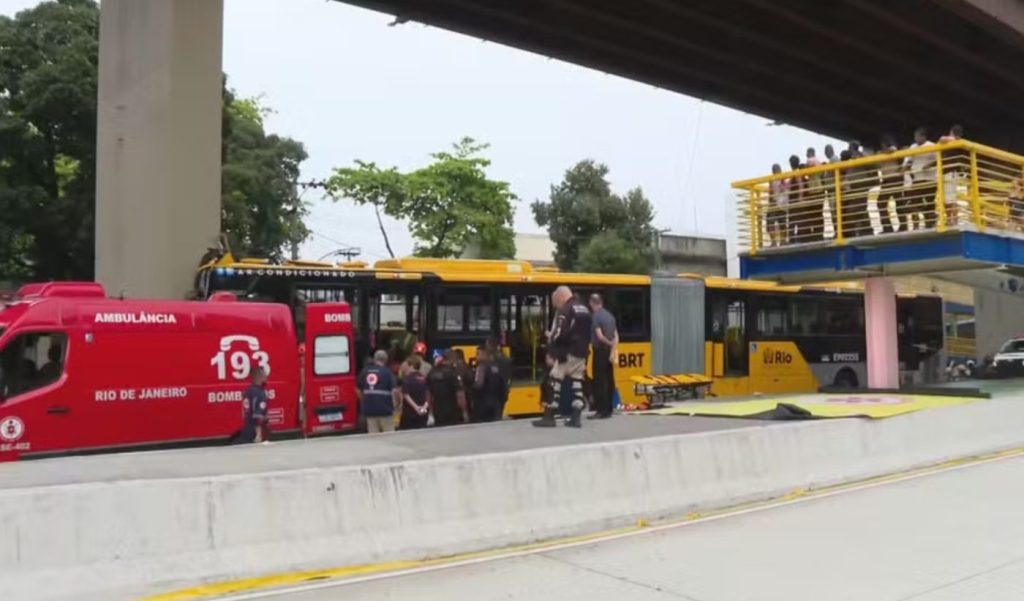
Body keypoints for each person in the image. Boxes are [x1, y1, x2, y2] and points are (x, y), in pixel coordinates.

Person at [533, 286, 592, 428]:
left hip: (566, 352)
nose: (556, 306)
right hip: (581, 352)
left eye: (556, 302)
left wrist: (552, 349)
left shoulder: (566, 310)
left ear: (560, 297)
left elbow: (559, 332)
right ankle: (576, 416)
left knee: (554, 379)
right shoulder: (584, 309)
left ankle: (549, 415)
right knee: (577, 381)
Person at [588, 293, 617, 419]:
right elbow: (616, 336)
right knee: (609, 379)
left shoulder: (596, 317)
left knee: (599, 380)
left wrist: (608, 342)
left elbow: (599, 336)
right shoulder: (610, 316)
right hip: (609, 352)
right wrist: (612, 348)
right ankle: (609, 408)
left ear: (592, 303)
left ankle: (601, 410)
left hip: (600, 350)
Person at [904, 126, 938, 230]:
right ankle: (917, 223)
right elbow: (908, 159)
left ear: (924, 137)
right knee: (913, 202)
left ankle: (930, 222)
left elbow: (939, 159)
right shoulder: (913, 147)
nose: (916, 139)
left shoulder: (932, 146)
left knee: (929, 202)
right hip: (917, 178)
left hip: (930, 179)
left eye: (917, 136)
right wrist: (906, 167)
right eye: (915, 137)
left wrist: (930, 165)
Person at [357, 350, 398, 434]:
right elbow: (394, 391)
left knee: (373, 436)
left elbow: (357, 389)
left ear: (375, 359)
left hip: (369, 410)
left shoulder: (365, 371)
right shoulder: (388, 373)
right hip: (385, 410)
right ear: (386, 360)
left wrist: (364, 400)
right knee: (389, 434)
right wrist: (395, 406)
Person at [427, 350, 468, 426]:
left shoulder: (432, 372)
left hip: (437, 410)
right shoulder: (454, 372)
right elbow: (460, 394)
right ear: (451, 359)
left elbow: (428, 395)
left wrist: (430, 412)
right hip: (453, 410)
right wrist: (464, 411)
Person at [877, 135, 904, 234]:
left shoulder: (893, 150)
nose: (882, 146)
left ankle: (902, 226)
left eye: (883, 144)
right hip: (886, 179)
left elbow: (893, 149)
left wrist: (885, 151)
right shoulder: (880, 153)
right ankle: (888, 227)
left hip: (895, 178)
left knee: (898, 203)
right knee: (881, 203)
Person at [472, 348, 506, 422]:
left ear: (485, 355)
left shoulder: (481, 367)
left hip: (483, 404)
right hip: (496, 402)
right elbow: (502, 384)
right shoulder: (497, 367)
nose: (476, 356)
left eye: (478, 354)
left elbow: (479, 385)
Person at [399, 355, 430, 430]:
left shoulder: (407, 380)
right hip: (423, 412)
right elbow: (428, 394)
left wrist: (416, 407)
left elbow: (406, 395)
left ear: (411, 366)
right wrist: (424, 407)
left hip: (409, 413)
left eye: (407, 365)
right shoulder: (424, 379)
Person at [240, 366, 270, 444]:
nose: (266, 377)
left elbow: (245, 412)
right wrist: (259, 434)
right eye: (264, 375)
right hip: (255, 433)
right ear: (260, 377)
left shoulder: (247, 391)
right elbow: (258, 414)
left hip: (246, 427)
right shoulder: (260, 393)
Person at [484, 337, 511, 417]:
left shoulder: (492, 359)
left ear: (489, 346)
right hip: (502, 391)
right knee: (498, 414)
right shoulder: (505, 358)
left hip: (492, 392)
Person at [767, 163, 789, 247]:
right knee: (782, 222)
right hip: (782, 204)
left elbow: (770, 192)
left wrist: (770, 202)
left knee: (770, 223)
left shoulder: (772, 179)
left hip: (774, 203)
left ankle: (774, 242)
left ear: (773, 171)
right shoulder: (783, 178)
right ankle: (782, 241)